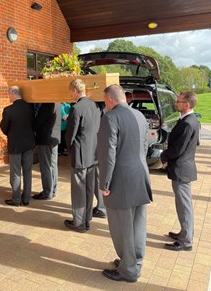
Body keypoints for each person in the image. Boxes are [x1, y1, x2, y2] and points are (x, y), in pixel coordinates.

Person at [97, 84, 152, 283]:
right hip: (140, 175)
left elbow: (107, 155)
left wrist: (104, 184)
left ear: (110, 100)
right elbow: (145, 145)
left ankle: (128, 270)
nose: (105, 105)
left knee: (122, 227)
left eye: (105, 101)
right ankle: (133, 261)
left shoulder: (110, 118)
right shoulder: (139, 115)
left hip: (120, 180)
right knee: (138, 224)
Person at [161, 91, 199, 251]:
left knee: (184, 205)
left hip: (181, 169)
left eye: (179, 101)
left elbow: (178, 148)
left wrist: (163, 155)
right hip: (184, 167)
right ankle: (185, 232)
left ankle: (186, 240)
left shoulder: (188, 123)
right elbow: (195, 142)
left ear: (187, 104)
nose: (176, 103)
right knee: (183, 204)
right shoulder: (190, 120)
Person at [64, 79, 101, 232]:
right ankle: (87, 219)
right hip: (93, 152)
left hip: (80, 154)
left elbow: (70, 134)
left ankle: (79, 222)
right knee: (89, 188)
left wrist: (69, 148)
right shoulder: (94, 105)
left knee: (79, 189)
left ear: (74, 91)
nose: (70, 94)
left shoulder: (76, 108)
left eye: (70, 91)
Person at [0, 86, 35, 206]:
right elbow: (33, 123)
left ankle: (16, 199)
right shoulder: (30, 108)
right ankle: (26, 199)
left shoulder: (8, 110)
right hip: (29, 143)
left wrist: (11, 133)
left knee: (15, 172)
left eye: (9, 95)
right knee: (27, 172)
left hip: (15, 144)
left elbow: (4, 127)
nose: (8, 97)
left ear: (13, 94)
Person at [33, 103, 61, 200]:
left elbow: (37, 122)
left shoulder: (47, 104)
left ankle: (47, 192)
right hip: (55, 138)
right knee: (53, 165)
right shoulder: (57, 103)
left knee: (45, 166)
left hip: (45, 139)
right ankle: (53, 190)